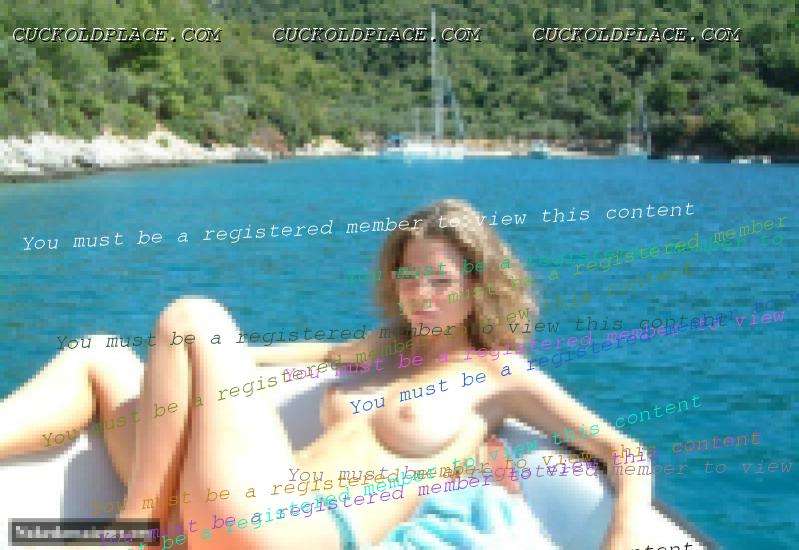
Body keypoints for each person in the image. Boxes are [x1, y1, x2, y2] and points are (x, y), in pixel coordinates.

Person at [0, 199, 651, 549]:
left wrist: (621, 538)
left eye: (440, 280)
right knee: (101, 356)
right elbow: (300, 356)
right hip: (237, 511)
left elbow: (624, 452)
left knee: (194, 316)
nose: (420, 295)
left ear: (479, 285)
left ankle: (132, 532)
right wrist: (177, 372)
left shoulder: (500, 374)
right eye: (408, 277)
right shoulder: (384, 347)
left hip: (299, 531)